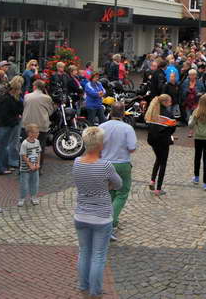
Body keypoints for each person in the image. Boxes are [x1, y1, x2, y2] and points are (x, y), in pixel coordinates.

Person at [73, 126, 122, 298]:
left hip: (81, 214)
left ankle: (83, 285)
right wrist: (106, 185)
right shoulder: (106, 165)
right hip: (101, 216)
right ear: (100, 145)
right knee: (98, 256)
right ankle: (95, 291)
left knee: (84, 252)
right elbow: (119, 184)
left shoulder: (77, 162)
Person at [99, 102, 137, 240]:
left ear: (110, 112)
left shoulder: (102, 126)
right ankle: (110, 222)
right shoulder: (127, 128)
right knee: (122, 193)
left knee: (109, 192)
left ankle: (112, 222)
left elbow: (97, 146)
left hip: (104, 163)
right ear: (123, 113)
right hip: (121, 163)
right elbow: (132, 148)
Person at [146, 94, 177, 196]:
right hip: (163, 141)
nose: (171, 103)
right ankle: (158, 189)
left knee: (158, 159)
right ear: (165, 102)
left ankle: (152, 180)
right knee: (163, 163)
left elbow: (148, 125)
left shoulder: (151, 112)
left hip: (152, 140)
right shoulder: (169, 115)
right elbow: (173, 128)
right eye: (169, 101)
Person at [21, 80, 55, 171]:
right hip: (41, 125)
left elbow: (24, 107)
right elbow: (50, 111)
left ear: (35, 87)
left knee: (25, 146)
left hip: (27, 124)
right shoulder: (47, 98)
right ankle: (38, 168)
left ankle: (25, 167)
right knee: (40, 147)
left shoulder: (27, 96)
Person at [0, 76, 24, 174]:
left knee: (4, 146)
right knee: (3, 147)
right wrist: (14, 121)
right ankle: (1, 168)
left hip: (7, 124)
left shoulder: (10, 97)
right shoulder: (7, 99)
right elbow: (5, 114)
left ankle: (5, 166)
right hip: (6, 125)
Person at [18, 123, 42, 207]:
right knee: (24, 184)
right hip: (25, 169)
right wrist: (30, 164)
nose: (38, 133)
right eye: (36, 132)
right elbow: (23, 155)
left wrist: (38, 163)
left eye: (38, 132)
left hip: (35, 168)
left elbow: (38, 153)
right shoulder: (25, 143)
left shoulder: (37, 142)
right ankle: (22, 198)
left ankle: (33, 197)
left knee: (35, 183)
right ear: (30, 133)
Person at [180, 69, 205, 138]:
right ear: (188, 75)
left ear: (196, 75)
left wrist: (200, 93)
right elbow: (182, 92)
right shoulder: (185, 82)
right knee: (189, 117)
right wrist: (186, 92)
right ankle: (191, 130)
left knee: (197, 117)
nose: (192, 76)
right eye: (190, 75)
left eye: (193, 75)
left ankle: (196, 131)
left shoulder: (199, 82)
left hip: (197, 102)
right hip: (188, 103)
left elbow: (204, 91)